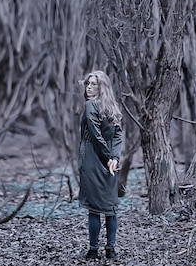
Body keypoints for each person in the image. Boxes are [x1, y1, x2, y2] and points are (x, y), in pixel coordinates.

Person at [78, 70, 123, 260]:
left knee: (96, 207)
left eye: (93, 84)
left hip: (94, 157)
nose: (89, 87)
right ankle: (110, 249)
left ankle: (94, 250)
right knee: (109, 206)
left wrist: (109, 159)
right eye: (88, 83)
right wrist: (114, 158)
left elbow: (97, 136)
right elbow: (117, 137)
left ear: (102, 87)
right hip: (108, 159)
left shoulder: (90, 105)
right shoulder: (112, 107)